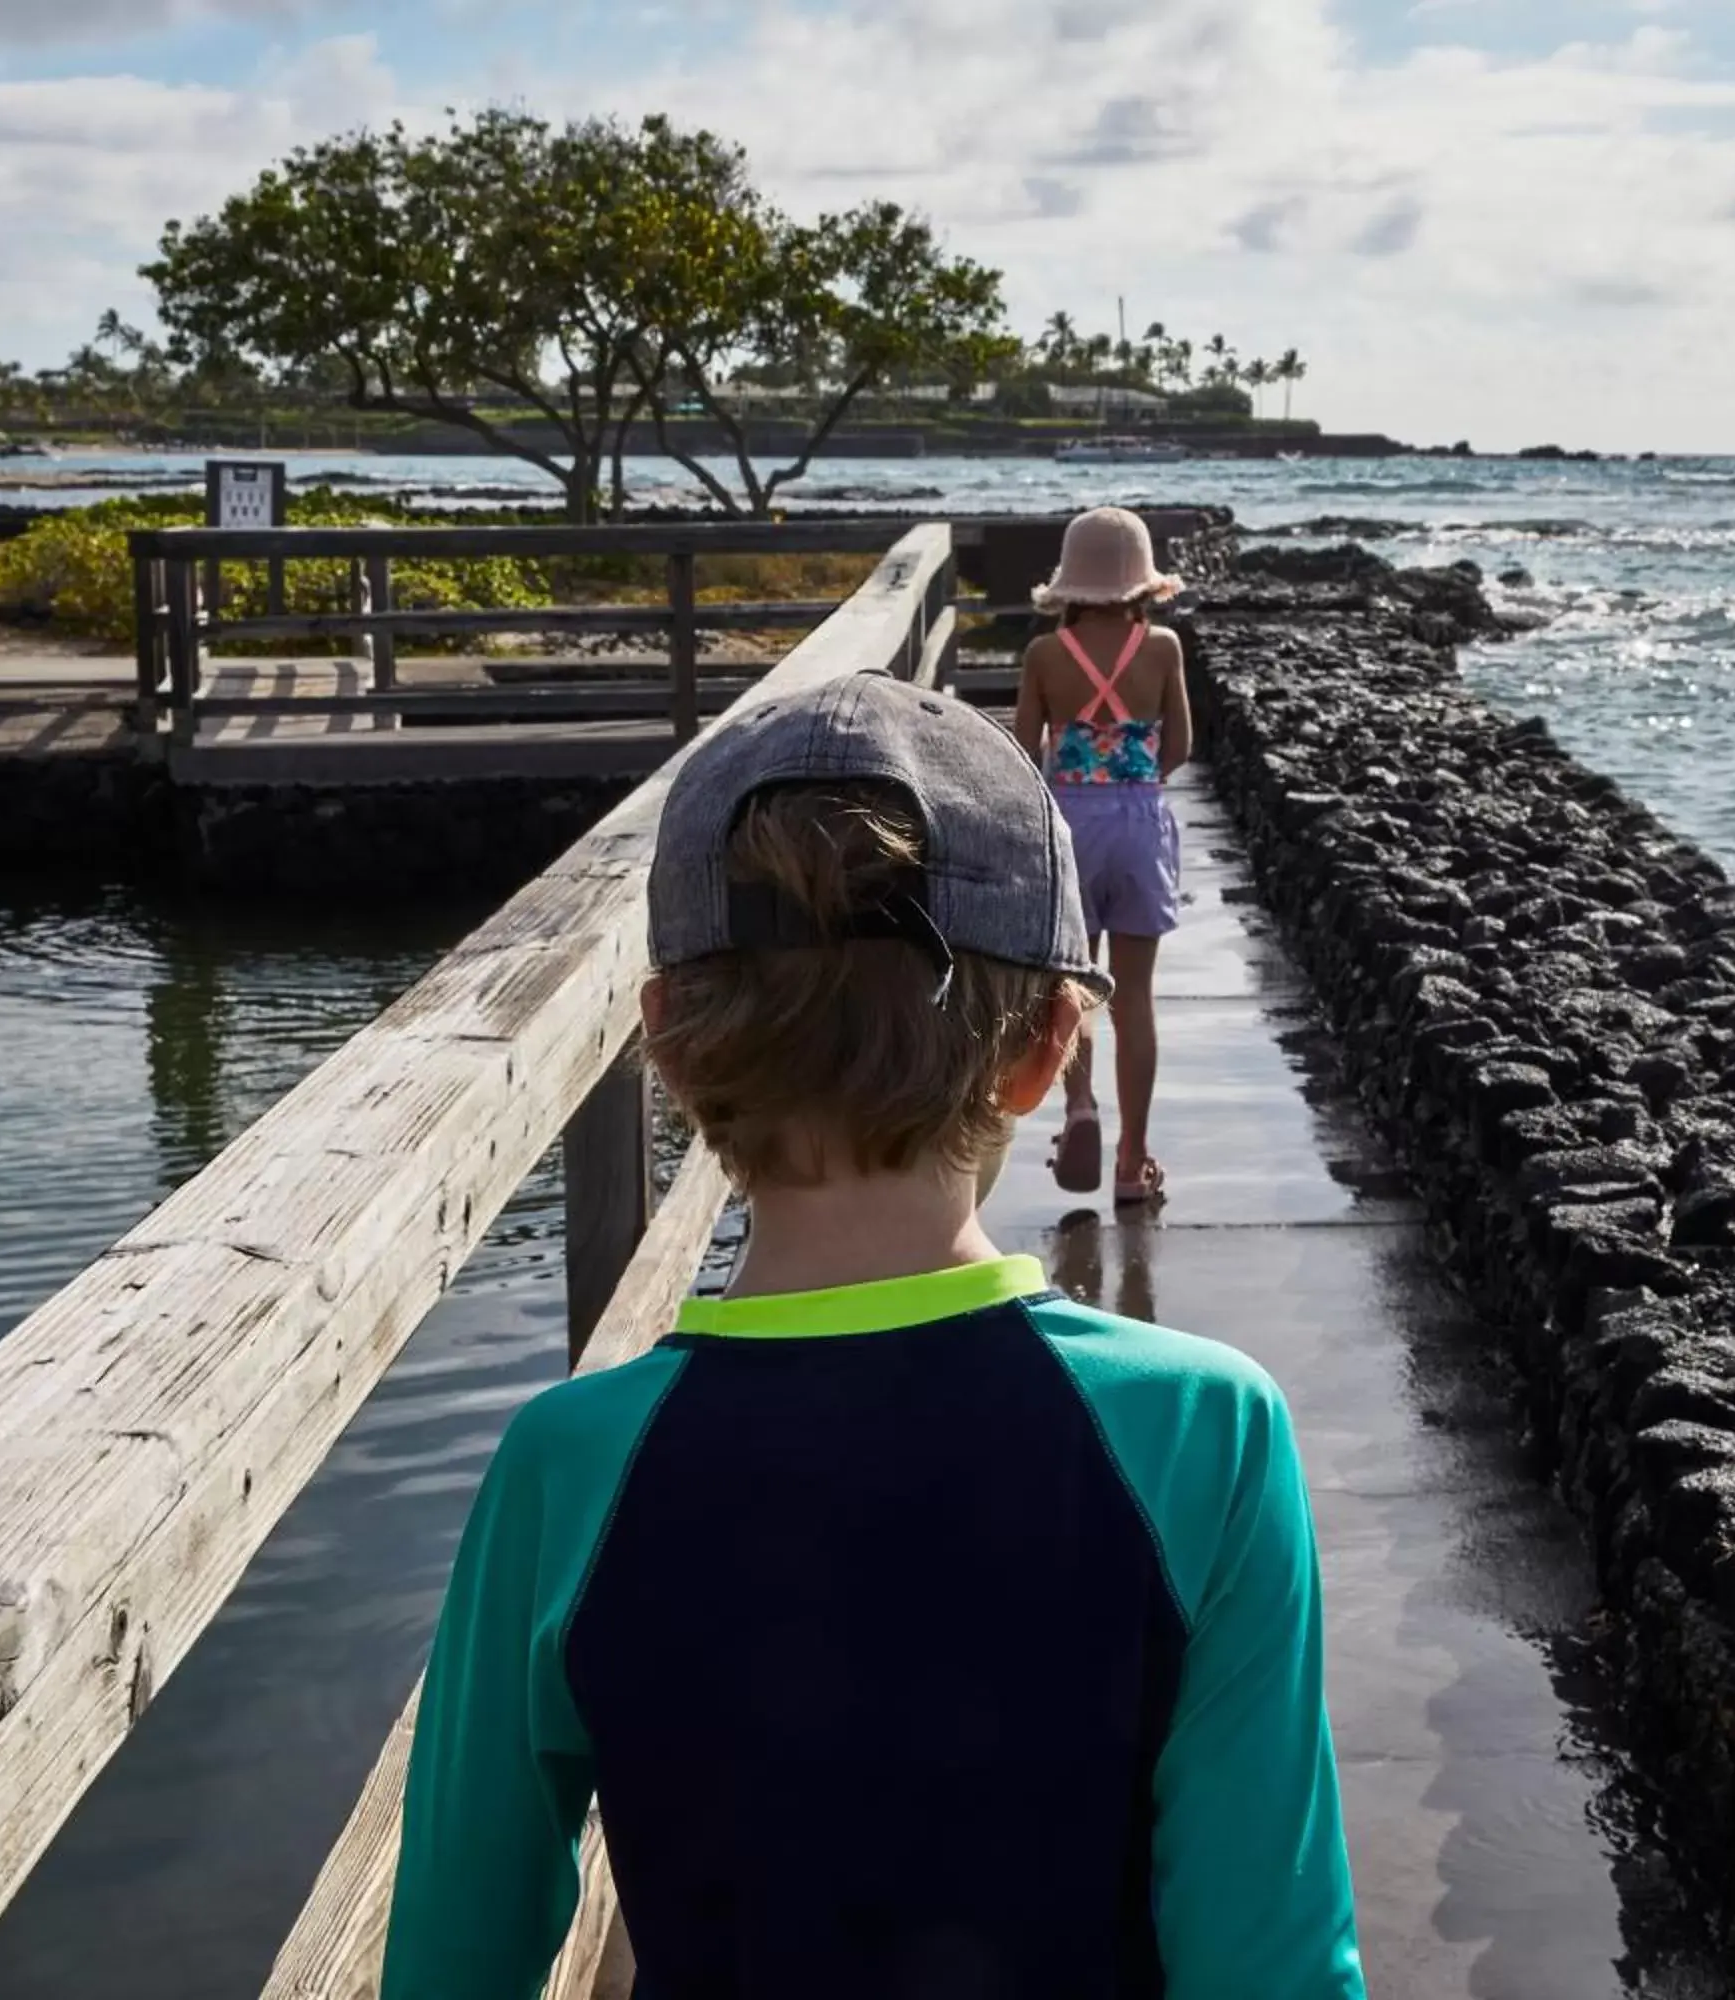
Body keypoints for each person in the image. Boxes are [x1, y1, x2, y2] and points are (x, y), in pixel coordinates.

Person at [379, 672, 1363, 2000]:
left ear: (666, 1045)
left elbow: (454, 1956)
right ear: (1048, 1052)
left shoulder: (567, 1468)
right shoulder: (1203, 1432)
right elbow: (1275, 1966)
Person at [1014, 505, 1194, 1209]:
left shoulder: (1044, 656)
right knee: (1136, 999)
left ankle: (1080, 1108)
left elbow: (1025, 750)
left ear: (1069, 581)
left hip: (1070, 823)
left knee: (1075, 990)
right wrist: (1138, 775)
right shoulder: (1163, 648)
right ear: (1142, 583)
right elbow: (1180, 744)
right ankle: (1133, 1159)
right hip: (1140, 820)